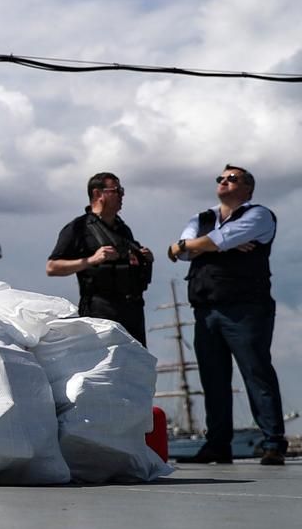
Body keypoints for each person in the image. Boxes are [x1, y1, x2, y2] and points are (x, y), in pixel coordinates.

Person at [168, 164, 286, 466]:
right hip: (206, 309)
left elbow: (205, 244)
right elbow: (180, 251)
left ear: (248, 189)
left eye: (232, 179)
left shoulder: (259, 215)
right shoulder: (201, 218)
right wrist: (208, 245)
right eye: (221, 178)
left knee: (256, 373)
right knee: (213, 380)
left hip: (246, 309)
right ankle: (217, 445)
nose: (224, 181)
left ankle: (273, 442)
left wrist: (205, 246)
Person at [47, 172, 153, 345]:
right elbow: (52, 267)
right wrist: (91, 260)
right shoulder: (79, 228)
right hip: (101, 313)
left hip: (132, 310)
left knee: (137, 365)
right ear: (98, 194)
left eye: (122, 191)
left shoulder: (123, 229)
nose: (121, 195)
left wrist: (143, 257)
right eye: (116, 191)